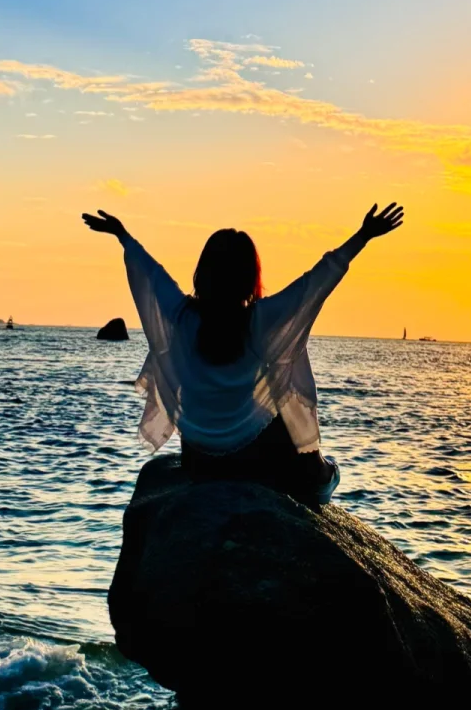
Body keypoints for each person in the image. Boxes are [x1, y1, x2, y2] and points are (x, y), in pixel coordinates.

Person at [82, 202, 405, 505]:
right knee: (300, 438)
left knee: (276, 397)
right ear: (249, 277)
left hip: (198, 461)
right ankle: (324, 476)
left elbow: (150, 274)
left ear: (202, 273)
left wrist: (122, 235)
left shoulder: (182, 315)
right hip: (252, 457)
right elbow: (317, 280)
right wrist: (363, 236)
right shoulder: (261, 319)